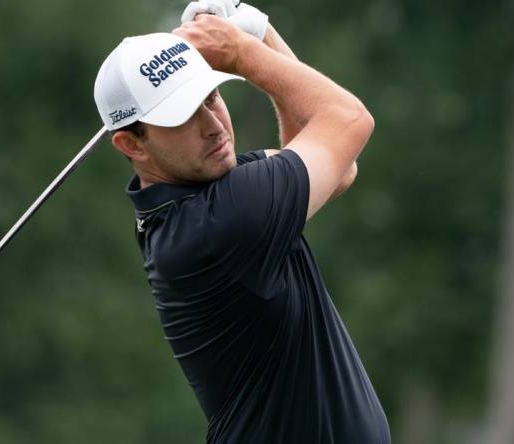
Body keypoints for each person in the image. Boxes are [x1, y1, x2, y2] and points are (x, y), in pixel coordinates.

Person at [93, 1, 390, 442]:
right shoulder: (221, 223)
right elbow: (348, 120)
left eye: (210, 97)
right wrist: (245, 52)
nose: (213, 126)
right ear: (131, 145)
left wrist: (260, 36)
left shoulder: (207, 201)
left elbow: (338, 166)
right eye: (184, 117)